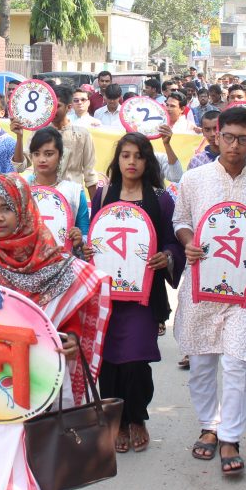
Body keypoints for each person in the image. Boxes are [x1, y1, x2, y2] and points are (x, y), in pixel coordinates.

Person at [0, 174, 111, 490]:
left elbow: (71, 316)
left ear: (24, 209)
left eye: (7, 208)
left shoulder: (53, 261)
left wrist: (70, 341)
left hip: (41, 380)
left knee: (38, 468)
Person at [173, 107, 246, 475]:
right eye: (229, 137)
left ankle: (231, 436)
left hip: (243, 288)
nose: (235, 146)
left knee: (238, 362)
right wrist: (187, 242)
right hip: (201, 285)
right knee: (202, 360)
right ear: (216, 136)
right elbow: (181, 220)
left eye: (244, 139)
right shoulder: (195, 179)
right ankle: (209, 426)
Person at [92, 133, 186, 453]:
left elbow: (174, 241)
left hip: (142, 299)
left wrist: (168, 257)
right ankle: (115, 420)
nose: (131, 162)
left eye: (139, 156)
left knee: (135, 361)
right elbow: (92, 240)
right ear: (117, 160)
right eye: (125, 155)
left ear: (148, 161)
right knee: (108, 363)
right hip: (105, 298)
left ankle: (137, 418)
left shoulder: (161, 199)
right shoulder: (102, 196)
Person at [12, 84, 98, 199]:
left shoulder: (82, 135)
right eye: (49, 106)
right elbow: (19, 167)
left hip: (72, 198)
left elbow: (90, 176)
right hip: (42, 198)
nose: (52, 110)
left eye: (57, 106)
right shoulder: (38, 133)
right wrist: (19, 137)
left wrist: (96, 210)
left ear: (69, 107)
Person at [23, 127, 90, 254]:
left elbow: (86, 234)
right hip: (27, 264)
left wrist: (79, 239)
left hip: (64, 264)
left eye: (49, 154)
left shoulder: (74, 192)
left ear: (60, 156)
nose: (42, 159)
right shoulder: (21, 189)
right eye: (36, 154)